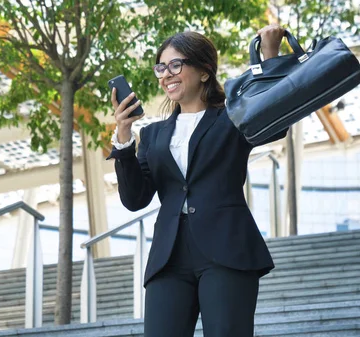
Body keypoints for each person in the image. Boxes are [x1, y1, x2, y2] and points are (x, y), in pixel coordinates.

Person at [107, 25, 288, 337]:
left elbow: (274, 122)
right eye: (161, 67)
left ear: (204, 72)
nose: (166, 75)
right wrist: (124, 139)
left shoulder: (232, 117)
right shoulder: (152, 135)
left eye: (176, 65)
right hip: (169, 257)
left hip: (227, 250)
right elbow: (135, 199)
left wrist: (270, 58)